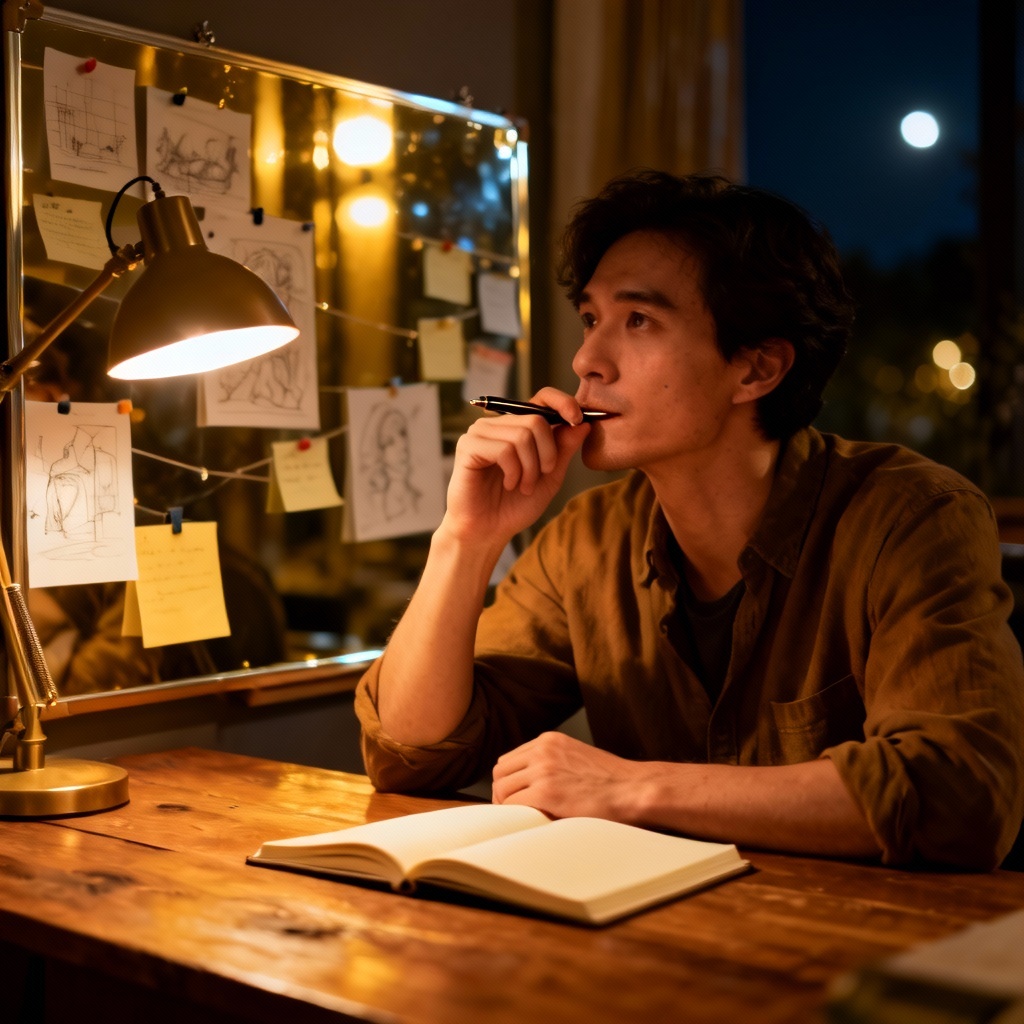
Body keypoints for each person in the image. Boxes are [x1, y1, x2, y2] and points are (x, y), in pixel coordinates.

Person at [354, 170, 1024, 869]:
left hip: (857, 932)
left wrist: (631, 788)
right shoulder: (587, 540)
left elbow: (959, 793)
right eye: (591, 319)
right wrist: (466, 539)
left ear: (756, 369)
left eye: (638, 321)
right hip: (646, 922)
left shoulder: (911, 517)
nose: (586, 361)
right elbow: (411, 752)